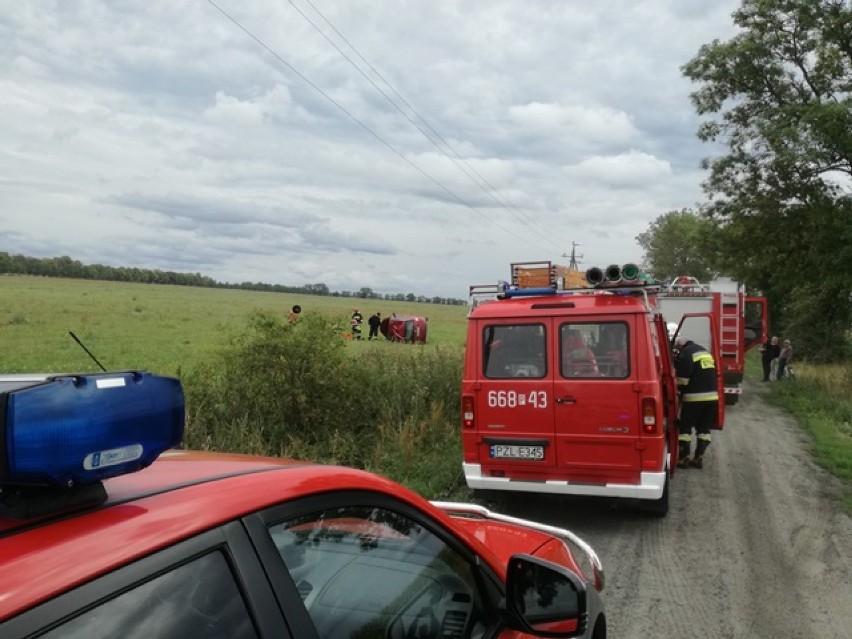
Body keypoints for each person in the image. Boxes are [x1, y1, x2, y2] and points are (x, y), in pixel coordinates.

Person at [674, 335, 719, 469]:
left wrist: (677, 389)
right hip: (712, 398)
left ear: (680, 345)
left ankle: (683, 458)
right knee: (704, 429)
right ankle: (698, 458)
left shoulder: (686, 353)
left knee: (685, 428)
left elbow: (683, 380)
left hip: (694, 397)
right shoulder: (705, 352)